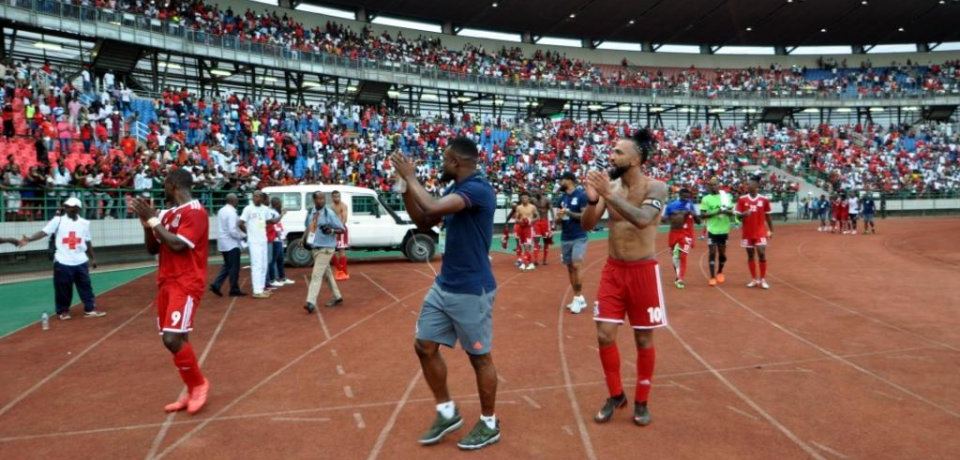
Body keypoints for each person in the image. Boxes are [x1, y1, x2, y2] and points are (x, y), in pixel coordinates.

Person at [390, 138, 501, 450]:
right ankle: (447, 412)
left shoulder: (478, 189)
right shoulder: (455, 190)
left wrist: (412, 177)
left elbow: (432, 207)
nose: (440, 164)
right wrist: (404, 186)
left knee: (480, 358)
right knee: (424, 346)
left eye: (443, 159)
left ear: (456, 162)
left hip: (471, 290)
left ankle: (490, 423)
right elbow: (424, 220)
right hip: (445, 285)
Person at [579, 128, 666, 428]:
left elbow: (643, 221)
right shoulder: (611, 188)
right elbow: (588, 226)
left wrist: (606, 195)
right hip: (613, 271)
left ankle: (642, 401)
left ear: (636, 158)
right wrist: (593, 202)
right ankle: (616, 396)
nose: (612, 155)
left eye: (618, 152)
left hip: (643, 271)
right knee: (604, 334)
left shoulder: (657, 187)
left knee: (643, 339)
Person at [129, 168, 210, 415]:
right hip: (165, 281)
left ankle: (199, 385)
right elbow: (153, 249)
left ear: (173, 184)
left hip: (186, 282)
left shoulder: (195, 213)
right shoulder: (166, 214)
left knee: (171, 338)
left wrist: (153, 219)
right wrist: (147, 226)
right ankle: (191, 389)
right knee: (176, 338)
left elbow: (176, 244)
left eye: (164, 183)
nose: (162, 188)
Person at [20, 197, 106, 320]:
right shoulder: (58, 220)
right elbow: (44, 232)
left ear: (78, 208)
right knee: (63, 288)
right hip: (63, 261)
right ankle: (63, 311)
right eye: (68, 206)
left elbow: (87, 241)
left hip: (81, 261)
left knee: (86, 286)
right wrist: (29, 239)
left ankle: (90, 308)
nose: (69, 209)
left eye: (72, 207)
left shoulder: (84, 223)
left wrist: (93, 258)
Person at [302, 191, 344, 313]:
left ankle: (310, 302)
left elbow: (341, 229)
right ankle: (337, 296)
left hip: (326, 248)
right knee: (327, 274)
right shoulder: (311, 213)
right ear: (314, 200)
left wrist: (331, 230)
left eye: (323, 199)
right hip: (315, 248)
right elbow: (308, 227)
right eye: (318, 199)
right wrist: (303, 239)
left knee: (316, 275)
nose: (321, 201)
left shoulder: (329, 213)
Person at [556, 172, 589, 313]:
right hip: (565, 237)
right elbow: (557, 222)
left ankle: (576, 298)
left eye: (562, 180)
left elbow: (585, 216)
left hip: (579, 235)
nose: (560, 182)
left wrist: (568, 213)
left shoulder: (581, 195)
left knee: (577, 264)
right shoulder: (562, 198)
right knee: (570, 267)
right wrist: (559, 217)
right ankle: (579, 297)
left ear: (569, 181)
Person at [735, 177, 774, 289]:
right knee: (750, 255)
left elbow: (768, 216)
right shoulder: (742, 199)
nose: (747, 186)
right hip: (747, 232)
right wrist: (743, 214)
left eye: (750, 184)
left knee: (761, 253)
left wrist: (771, 230)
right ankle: (754, 279)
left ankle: (763, 279)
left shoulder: (764, 199)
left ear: (756, 186)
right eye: (747, 184)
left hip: (760, 231)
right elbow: (737, 216)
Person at [239, 191, 277, 299]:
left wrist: (281, 215)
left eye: (258, 196)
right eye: (254, 196)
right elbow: (240, 223)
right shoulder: (248, 209)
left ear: (262, 198)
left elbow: (270, 221)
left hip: (263, 241)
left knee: (264, 265)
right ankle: (257, 291)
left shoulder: (265, 209)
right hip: (254, 242)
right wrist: (249, 233)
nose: (256, 198)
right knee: (256, 265)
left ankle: (261, 288)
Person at [209, 193, 247, 297]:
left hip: (223, 243)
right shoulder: (232, 213)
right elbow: (232, 230)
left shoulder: (221, 210)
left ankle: (216, 285)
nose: (238, 202)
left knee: (227, 266)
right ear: (233, 201)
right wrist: (242, 236)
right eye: (237, 200)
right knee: (234, 267)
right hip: (231, 243)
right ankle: (234, 289)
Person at [699, 179, 734, 286]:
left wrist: (725, 211)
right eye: (711, 185)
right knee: (712, 252)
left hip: (724, 229)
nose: (713, 187)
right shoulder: (706, 199)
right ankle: (712, 276)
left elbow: (731, 213)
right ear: (709, 187)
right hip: (712, 230)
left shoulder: (727, 197)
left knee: (722, 254)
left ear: (719, 185)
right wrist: (716, 212)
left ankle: (720, 272)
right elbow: (702, 215)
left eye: (715, 184)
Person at [663, 188, 700, 289]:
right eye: (684, 196)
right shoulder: (671, 205)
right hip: (674, 233)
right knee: (675, 257)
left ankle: (680, 279)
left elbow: (698, 221)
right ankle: (678, 275)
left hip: (686, 234)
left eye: (688, 197)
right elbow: (665, 219)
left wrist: (694, 215)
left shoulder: (690, 205)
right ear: (680, 195)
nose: (686, 199)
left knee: (683, 256)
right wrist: (664, 218)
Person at [266, 196, 294, 287]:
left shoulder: (275, 212)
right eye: (280, 203)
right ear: (276, 204)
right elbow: (273, 224)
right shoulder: (272, 213)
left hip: (279, 239)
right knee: (273, 260)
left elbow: (278, 225)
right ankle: (272, 279)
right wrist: (282, 214)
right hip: (274, 239)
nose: (281, 205)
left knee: (280, 260)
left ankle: (282, 277)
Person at [507, 192, 539, 271]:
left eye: (525, 198)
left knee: (527, 246)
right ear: (521, 199)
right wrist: (520, 222)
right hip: (521, 228)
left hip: (529, 228)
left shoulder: (532, 207)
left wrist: (531, 220)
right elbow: (517, 218)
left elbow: (538, 216)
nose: (524, 199)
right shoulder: (519, 208)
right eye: (522, 198)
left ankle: (524, 263)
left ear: (528, 199)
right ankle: (531, 263)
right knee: (524, 246)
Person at [329, 190, 350, 280]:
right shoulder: (331, 206)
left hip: (341, 229)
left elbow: (344, 218)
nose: (336, 198)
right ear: (332, 197)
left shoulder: (343, 205)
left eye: (338, 196)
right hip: (334, 230)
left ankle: (344, 272)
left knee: (341, 250)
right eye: (335, 197)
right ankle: (340, 270)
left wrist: (340, 228)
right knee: (331, 251)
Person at [531, 188, 554, 265]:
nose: (536, 193)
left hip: (545, 222)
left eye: (537, 192)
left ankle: (544, 260)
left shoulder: (547, 200)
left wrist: (553, 221)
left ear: (541, 192)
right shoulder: (533, 200)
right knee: (536, 240)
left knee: (546, 241)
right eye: (535, 192)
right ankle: (536, 260)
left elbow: (551, 210)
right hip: (536, 222)